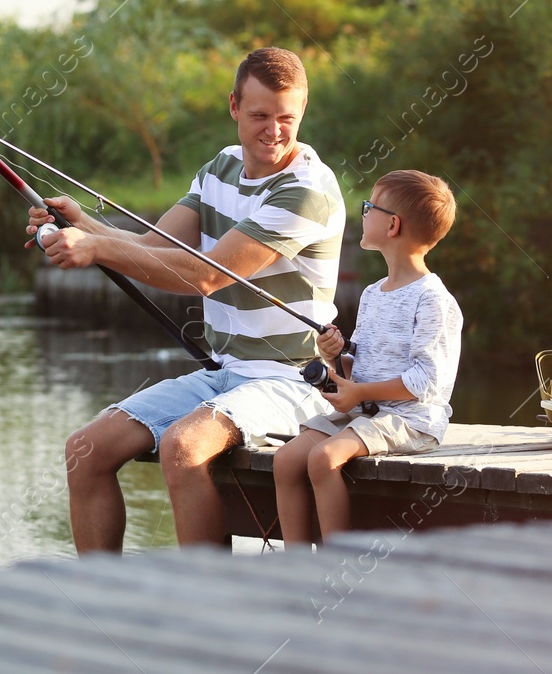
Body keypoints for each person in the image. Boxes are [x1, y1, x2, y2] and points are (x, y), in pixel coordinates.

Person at [30, 47, 342, 552]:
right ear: (234, 107)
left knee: (183, 446)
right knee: (84, 451)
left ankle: (204, 608)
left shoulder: (306, 191)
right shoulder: (221, 167)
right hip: (226, 370)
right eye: (260, 115)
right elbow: (157, 247)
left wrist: (96, 249)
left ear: (302, 112)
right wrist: (81, 224)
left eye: (288, 117)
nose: (275, 131)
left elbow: (206, 276)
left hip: (295, 379)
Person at [273, 169, 462, 545]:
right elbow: (355, 368)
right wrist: (334, 358)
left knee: (322, 460)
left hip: (410, 420)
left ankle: (334, 566)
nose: (363, 213)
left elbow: (427, 381)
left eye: (368, 207)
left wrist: (359, 394)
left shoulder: (433, 300)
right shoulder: (374, 293)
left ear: (392, 225)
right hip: (366, 413)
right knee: (285, 461)